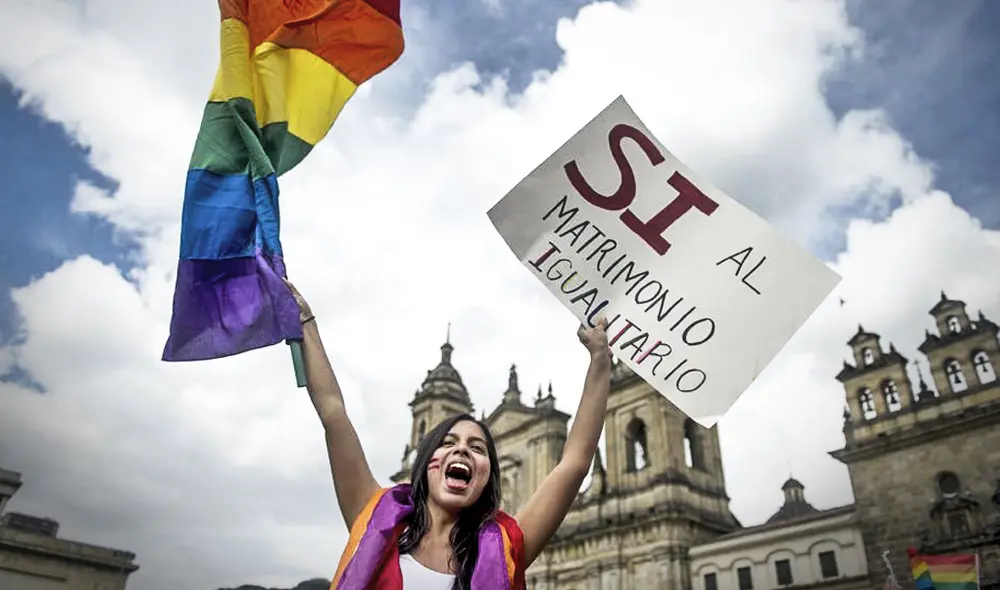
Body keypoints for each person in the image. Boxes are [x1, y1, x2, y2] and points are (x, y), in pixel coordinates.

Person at [285, 281, 612, 590]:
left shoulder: (507, 547)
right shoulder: (374, 520)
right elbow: (333, 412)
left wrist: (600, 359)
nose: (462, 451)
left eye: (478, 447)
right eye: (448, 442)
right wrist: (306, 321)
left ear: (487, 477)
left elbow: (574, 462)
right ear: (427, 463)